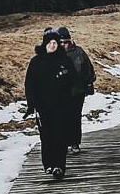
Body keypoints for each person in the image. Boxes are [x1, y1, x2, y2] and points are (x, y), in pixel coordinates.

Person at [24, 27, 76, 179]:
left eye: (55, 42)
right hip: (43, 106)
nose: (53, 45)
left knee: (60, 135)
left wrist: (64, 78)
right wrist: (31, 103)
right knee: (46, 136)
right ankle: (48, 164)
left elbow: (73, 81)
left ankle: (59, 166)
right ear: (45, 44)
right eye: (50, 42)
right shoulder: (36, 62)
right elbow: (30, 84)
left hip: (61, 105)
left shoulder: (65, 60)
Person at [57, 26, 96, 154]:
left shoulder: (79, 52)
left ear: (70, 41)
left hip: (77, 92)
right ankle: (62, 144)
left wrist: (89, 83)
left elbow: (88, 68)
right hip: (60, 92)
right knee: (61, 118)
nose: (63, 45)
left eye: (66, 42)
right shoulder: (53, 54)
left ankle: (74, 143)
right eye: (61, 42)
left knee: (74, 117)